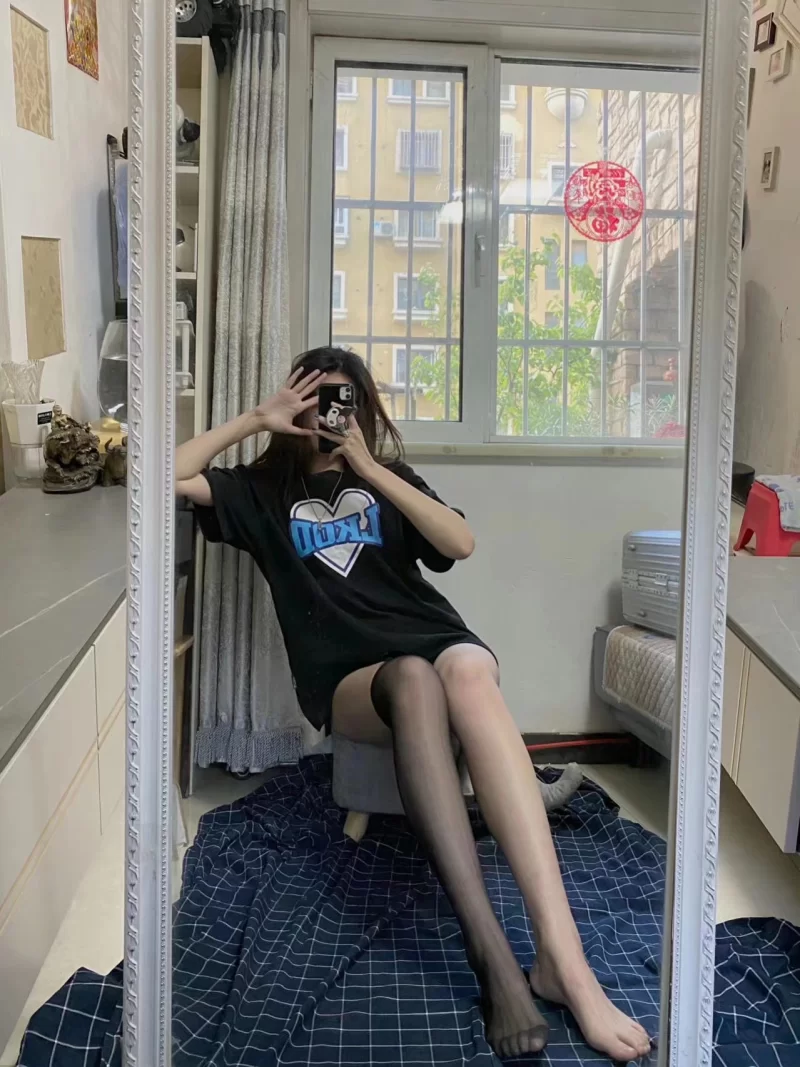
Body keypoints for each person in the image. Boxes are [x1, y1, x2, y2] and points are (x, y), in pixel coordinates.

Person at [176, 346, 652, 1063]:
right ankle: (492, 954)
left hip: (431, 640)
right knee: (413, 679)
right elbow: (161, 476)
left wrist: (370, 470)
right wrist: (254, 419)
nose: (329, 413)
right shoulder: (261, 489)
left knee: (465, 669)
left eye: (345, 400)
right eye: (316, 398)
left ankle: (565, 960)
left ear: (365, 409)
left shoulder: (388, 476)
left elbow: (460, 541)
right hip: (350, 676)